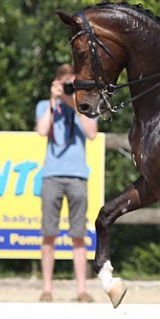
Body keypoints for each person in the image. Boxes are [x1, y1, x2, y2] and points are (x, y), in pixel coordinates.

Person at [35, 63, 98, 302]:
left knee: (78, 234)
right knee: (49, 233)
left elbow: (91, 133)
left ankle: (81, 290)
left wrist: (73, 102)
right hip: (52, 174)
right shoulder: (45, 106)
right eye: (65, 84)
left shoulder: (82, 106)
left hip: (77, 175)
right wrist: (54, 100)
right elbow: (42, 131)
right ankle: (47, 289)